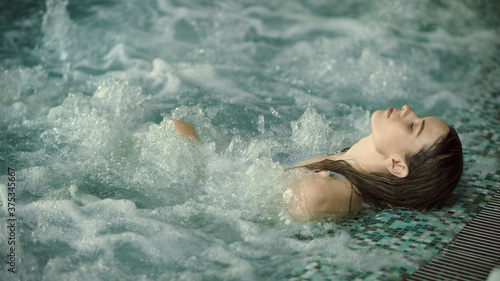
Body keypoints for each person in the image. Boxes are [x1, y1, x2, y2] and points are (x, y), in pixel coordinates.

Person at [171, 105, 463, 222]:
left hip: (206, 196)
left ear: (397, 165)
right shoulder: (345, 161)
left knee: (176, 129)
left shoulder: (340, 191)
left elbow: (304, 203)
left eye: (413, 126)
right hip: (218, 177)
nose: (408, 110)